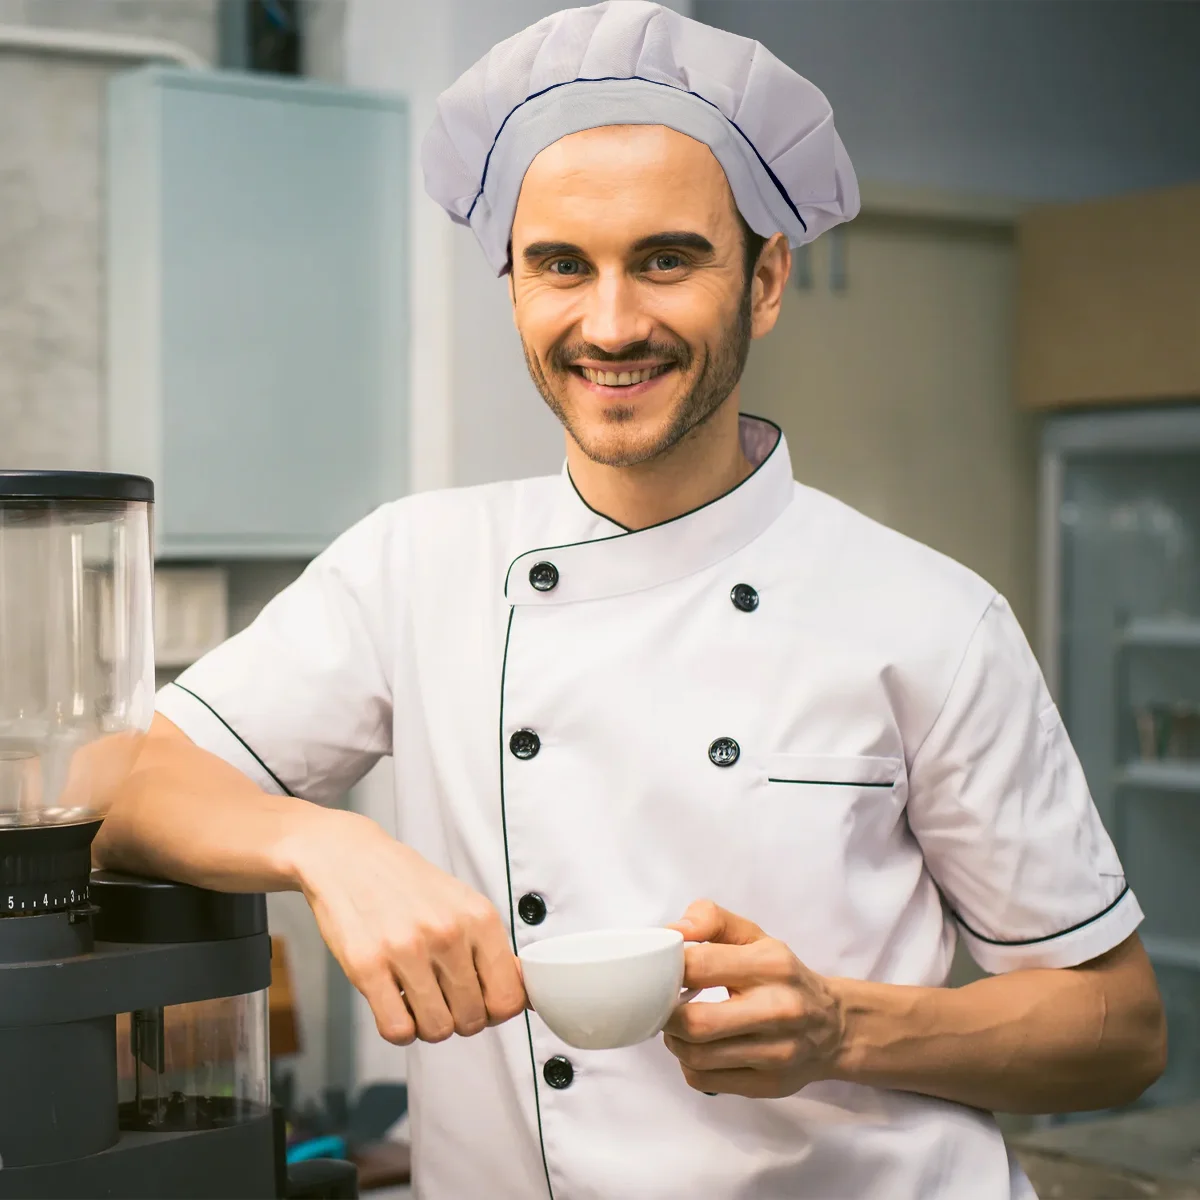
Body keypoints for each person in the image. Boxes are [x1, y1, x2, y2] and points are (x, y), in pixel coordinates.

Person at [96, 3, 1166, 1197]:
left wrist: (841, 1029)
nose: (610, 324)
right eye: (563, 264)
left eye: (667, 258)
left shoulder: (931, 617)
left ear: (764, 280)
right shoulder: (414, 565)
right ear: (512, 286)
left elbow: (1119, 1027)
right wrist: (324, 844)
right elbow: (120, 785)